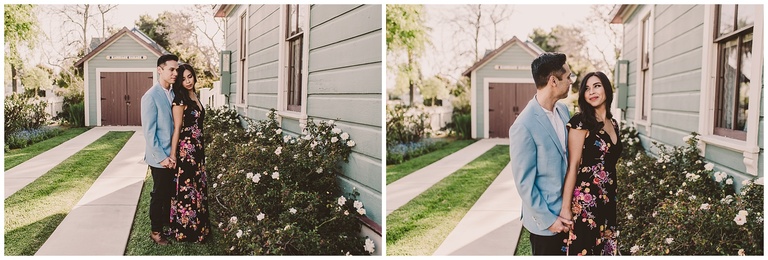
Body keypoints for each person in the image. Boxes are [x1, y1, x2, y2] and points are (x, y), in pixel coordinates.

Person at [509, 52, 575, 255]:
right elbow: (524, 183)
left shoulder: (563, 111)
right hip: (546, 226)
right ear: (553, 81)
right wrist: (549, 221)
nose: (572, 81)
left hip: (569, 215)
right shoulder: (524, 125)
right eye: (569, 77)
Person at [561, 71, 622, 255]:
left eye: (596, 86)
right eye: (586, 88)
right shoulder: (580, 123)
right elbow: (573, 166)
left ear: (606, 89)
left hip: (608, 199)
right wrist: (566, 209)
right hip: (586, 202)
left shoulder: (614, 123)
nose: (591, 92)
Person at [168, 63, 210, 243]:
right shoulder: (180, 100)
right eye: (183, 79)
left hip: (198, 149)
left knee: (198, 186)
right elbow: (177, 128)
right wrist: (173, 154)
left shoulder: (195, 95)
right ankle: (186, 230)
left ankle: (200, 226)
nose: (187, 81)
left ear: (194, 76)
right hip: (186, 150)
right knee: (188, 189)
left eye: (189, 77)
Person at [141, 54, 179, 246]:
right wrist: (162, 158)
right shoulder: (150, 96)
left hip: (172, 155)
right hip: (159, 158)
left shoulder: (172, 93)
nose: (175, 73)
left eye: (176, 69)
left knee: (168, 193)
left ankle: (166, 224)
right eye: (171, 69)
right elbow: (149, 132)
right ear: (160, 69)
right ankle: (156, 232)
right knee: (159, 195)